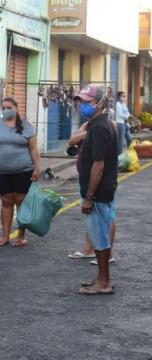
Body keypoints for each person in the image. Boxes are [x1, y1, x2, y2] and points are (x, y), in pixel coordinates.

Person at [74, 85, 118, 295]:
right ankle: (102, 278)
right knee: (99, 234)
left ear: (100, 103)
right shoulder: (100, 124)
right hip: (104, 189)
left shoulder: (100, 128)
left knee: (99, 237)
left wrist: (89, 197)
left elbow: (98, 165)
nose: (83, 105)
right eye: (81, 101)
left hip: (98, 192)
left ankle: (104, 282)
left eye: (88, 102)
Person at [0, 97, 40, 247]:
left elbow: (34, 148)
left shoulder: (27, 126)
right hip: (2, 171)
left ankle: (20, 236)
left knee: (21, 202)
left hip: (23, 171)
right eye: (3, 108)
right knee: (6, 202)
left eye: (9, 107)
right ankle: (5, 235)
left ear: (16, 108)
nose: (6, 110)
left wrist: (37, 167)